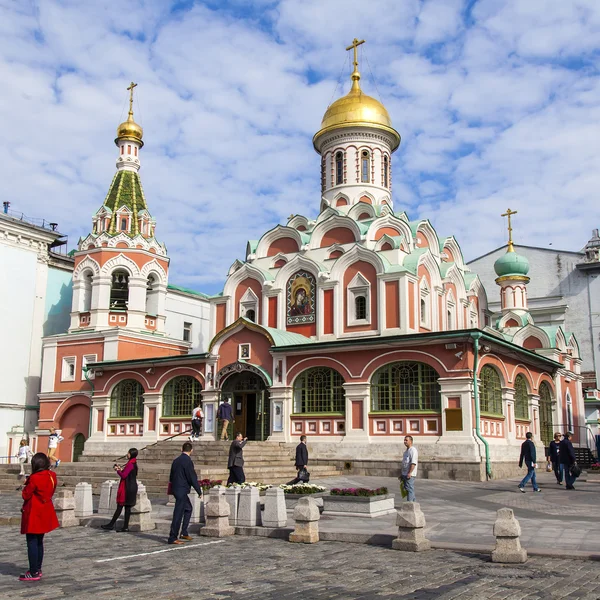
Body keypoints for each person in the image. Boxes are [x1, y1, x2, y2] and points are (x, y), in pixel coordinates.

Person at [19, 452, 59, 582]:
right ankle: (38, 568)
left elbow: (26, 495)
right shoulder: (52, 475)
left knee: (32, 542)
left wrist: (26, 484)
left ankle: (33, 571)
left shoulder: (35, 478)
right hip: (45, 510)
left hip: (34, 513)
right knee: (39, 541)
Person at [168, 442, 202, 545]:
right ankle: (172, 537)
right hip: (182, 490)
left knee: (188, 508)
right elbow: (192, 477)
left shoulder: (176, 461)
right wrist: (199, 491)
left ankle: (184, 531)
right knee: (178, 513)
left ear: (181, 449)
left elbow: (171, 476)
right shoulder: (188, 461)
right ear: (191, 450)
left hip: (176, 489)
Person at [101, 448, 138, 532]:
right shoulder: (133, 463)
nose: (127, 454)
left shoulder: (130, 464)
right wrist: (121, 469)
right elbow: (128, 473)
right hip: (132, 487)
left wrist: (117, 470)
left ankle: (111, 524)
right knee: (127, 508)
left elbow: (124, 476)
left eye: (128, 453)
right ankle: (125, 527)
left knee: (120, 506)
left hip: (127, 488)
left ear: (131, 454)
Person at [400, 435, 418, 502]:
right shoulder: (406, 451)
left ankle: (409, 505)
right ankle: (413, 504)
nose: (405, 442)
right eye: (404, 440)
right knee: (408, 489)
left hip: (410, 474)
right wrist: (402, 474)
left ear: (411, 441)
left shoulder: (413, 450)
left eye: (406, 440)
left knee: (410, 489)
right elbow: (404, 463)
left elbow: (413, 463)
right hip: (405, 474)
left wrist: (410, 472)